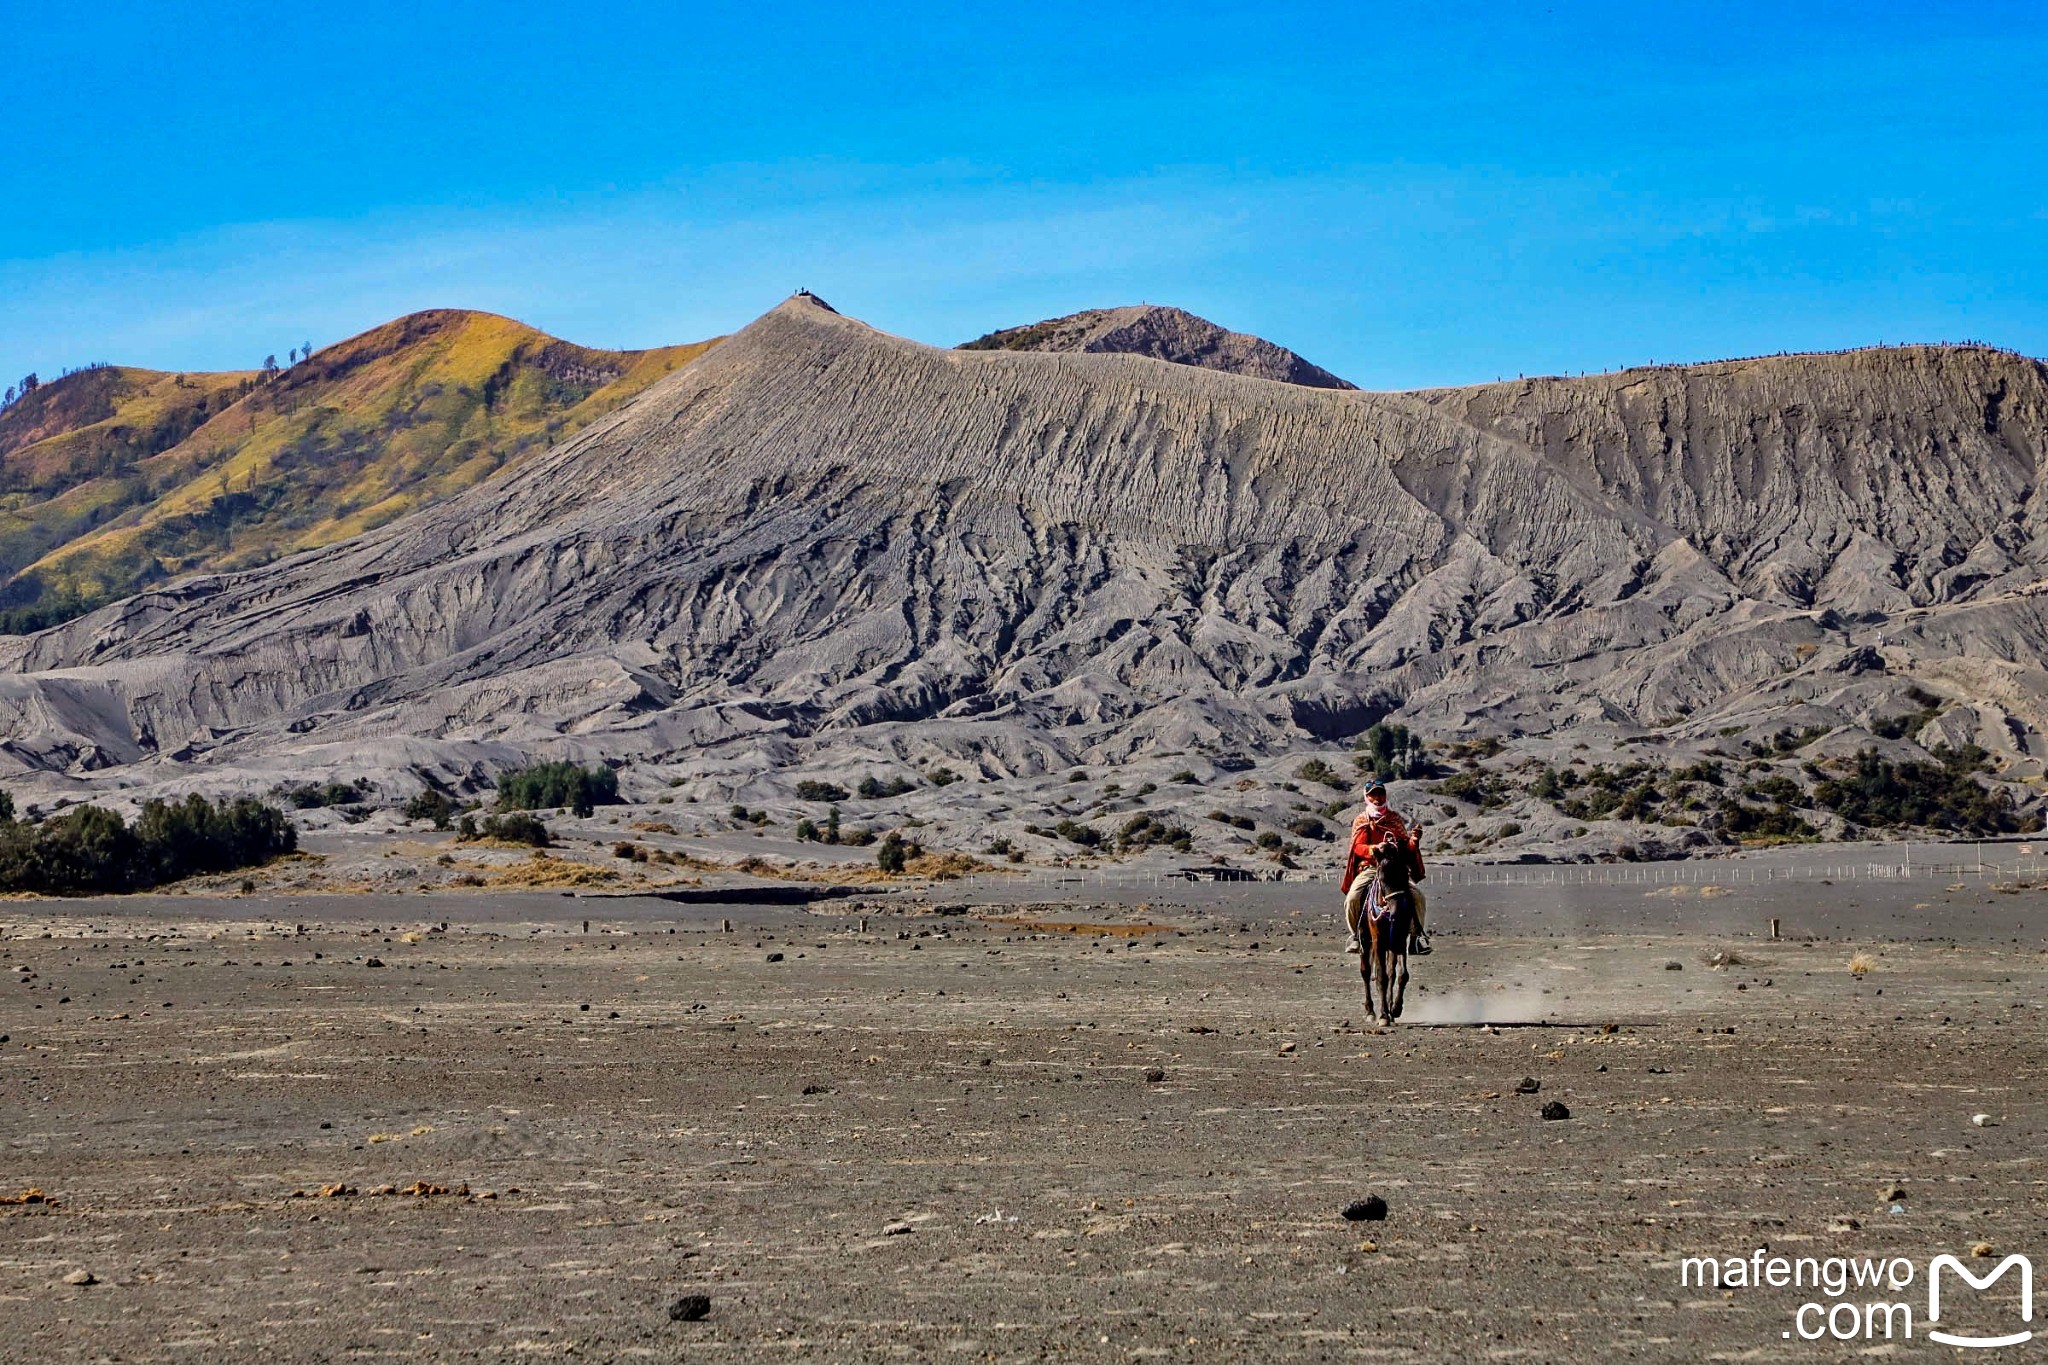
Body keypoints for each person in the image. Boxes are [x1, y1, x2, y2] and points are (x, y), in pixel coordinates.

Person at [1340, 778, 1430, 955]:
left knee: (1418, 896)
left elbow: (1405, 847)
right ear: (1366, 797)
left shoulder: (1394, 819)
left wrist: (1413, 841)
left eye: (1380, 794)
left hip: (1394, 869)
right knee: (1352, 898)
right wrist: (1374, 849)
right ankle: (1356, 936)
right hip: (1371, 868)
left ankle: (1417, 937)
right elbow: (1357, 848)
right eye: (1373, 795)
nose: (1377, 798)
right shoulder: (1361, 821)